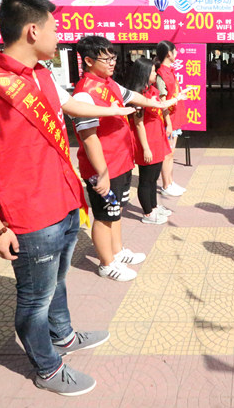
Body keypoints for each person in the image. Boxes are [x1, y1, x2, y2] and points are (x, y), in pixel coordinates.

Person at [0, 0, 140, 395]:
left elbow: (72, 107)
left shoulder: (41, 75)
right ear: (32, 30)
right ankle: (47, 367)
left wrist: (118, 110)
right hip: (29, 217)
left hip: (66, 202)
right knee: (34, 299)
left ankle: (64, 335)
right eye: (55, 29)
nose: (60, 37)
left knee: (58, 282)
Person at [71, 35, 163, 281]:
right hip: (104, 169)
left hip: (121, 163)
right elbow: (89, 139)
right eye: (106, 58)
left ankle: (117, 251)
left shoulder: (109, 83)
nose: (112, 62)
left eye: (113, 57)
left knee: (116, 210)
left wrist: (159, 105)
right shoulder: (84, 94)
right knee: (104, 216)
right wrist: (101, 174)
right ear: (88, 61)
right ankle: (106, 263)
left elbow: (132, 96)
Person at [128, 57, 176, 224]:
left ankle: (154, 207)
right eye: (153, 71)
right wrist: (146, 148)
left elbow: (162, 106)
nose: (156, 74)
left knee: (154, 178)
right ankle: (147, 213)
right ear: (144, 73)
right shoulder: (138, 95)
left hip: (157, 138)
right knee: (146, 179)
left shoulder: (152, 90)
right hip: (146, 142)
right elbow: (139, 124)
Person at [155, 40, 188, 197]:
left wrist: (181, 94)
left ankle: (170, 182)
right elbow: (163, 102)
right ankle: (166, 184)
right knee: (167, 154)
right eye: (175, 51)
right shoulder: (161, 74)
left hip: (174, 118)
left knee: (171, 153)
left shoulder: (169, 71)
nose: (177, 53)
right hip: (169, 120)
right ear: (169, 53)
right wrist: (168, 123)